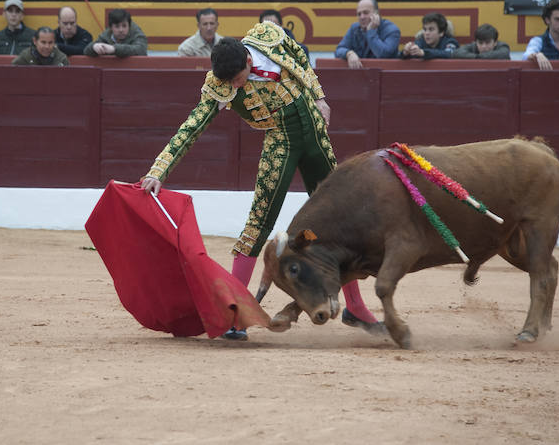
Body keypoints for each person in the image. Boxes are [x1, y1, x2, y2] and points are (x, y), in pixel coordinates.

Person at [140, 24, 385, 341]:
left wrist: (320, 97)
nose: (234, 86)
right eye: (228, 82)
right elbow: (191, 126)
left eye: (238, 78)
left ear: (247, 58)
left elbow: (298, 56)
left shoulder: (269, 36)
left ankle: (355, 306)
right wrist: (158, 170)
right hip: (280, 143)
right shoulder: (220, 85)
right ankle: (234, 312)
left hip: (315, 135)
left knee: (342, 223)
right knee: (258, 223)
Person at [334, 0, 401, 67]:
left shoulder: (392, 30)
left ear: (376, 13)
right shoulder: (354, 28)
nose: (362, 17)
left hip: (386, 74)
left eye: (366, 13)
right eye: (359, 14)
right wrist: (348, 53)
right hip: (360, 74)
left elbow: (383, 55)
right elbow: (338, 50)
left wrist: (371, 31)